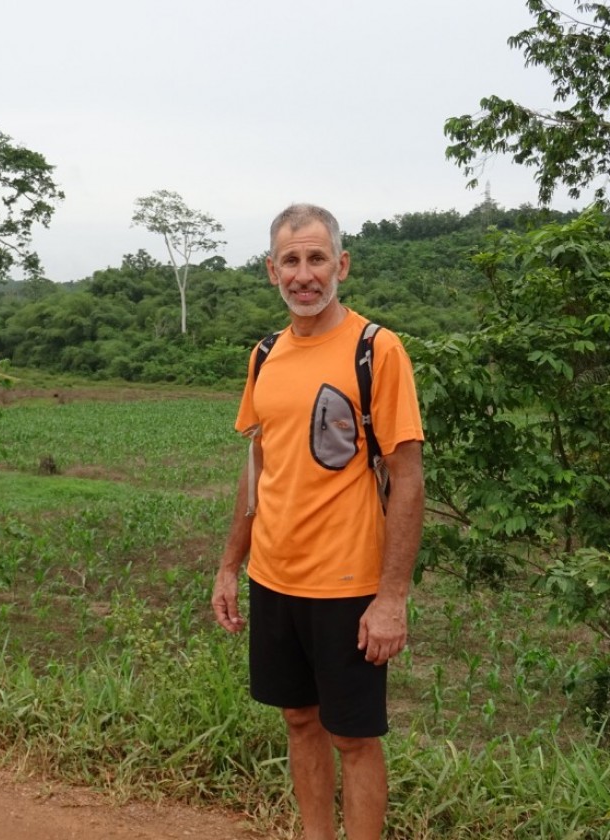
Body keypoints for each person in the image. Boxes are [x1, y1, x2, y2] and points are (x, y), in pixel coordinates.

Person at [212, 203, 425, 840]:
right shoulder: (265, 354)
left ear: (342, 265)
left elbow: (408, 479)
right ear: (271, 270)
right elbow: (257, 467)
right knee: (300, 720)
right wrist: (230, 566)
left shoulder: (375, 350)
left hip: (348, 584)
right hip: (275, 578)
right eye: (291, 261)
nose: (305, 275)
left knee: (354, 737)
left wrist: (392, 597)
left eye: (317, 258)